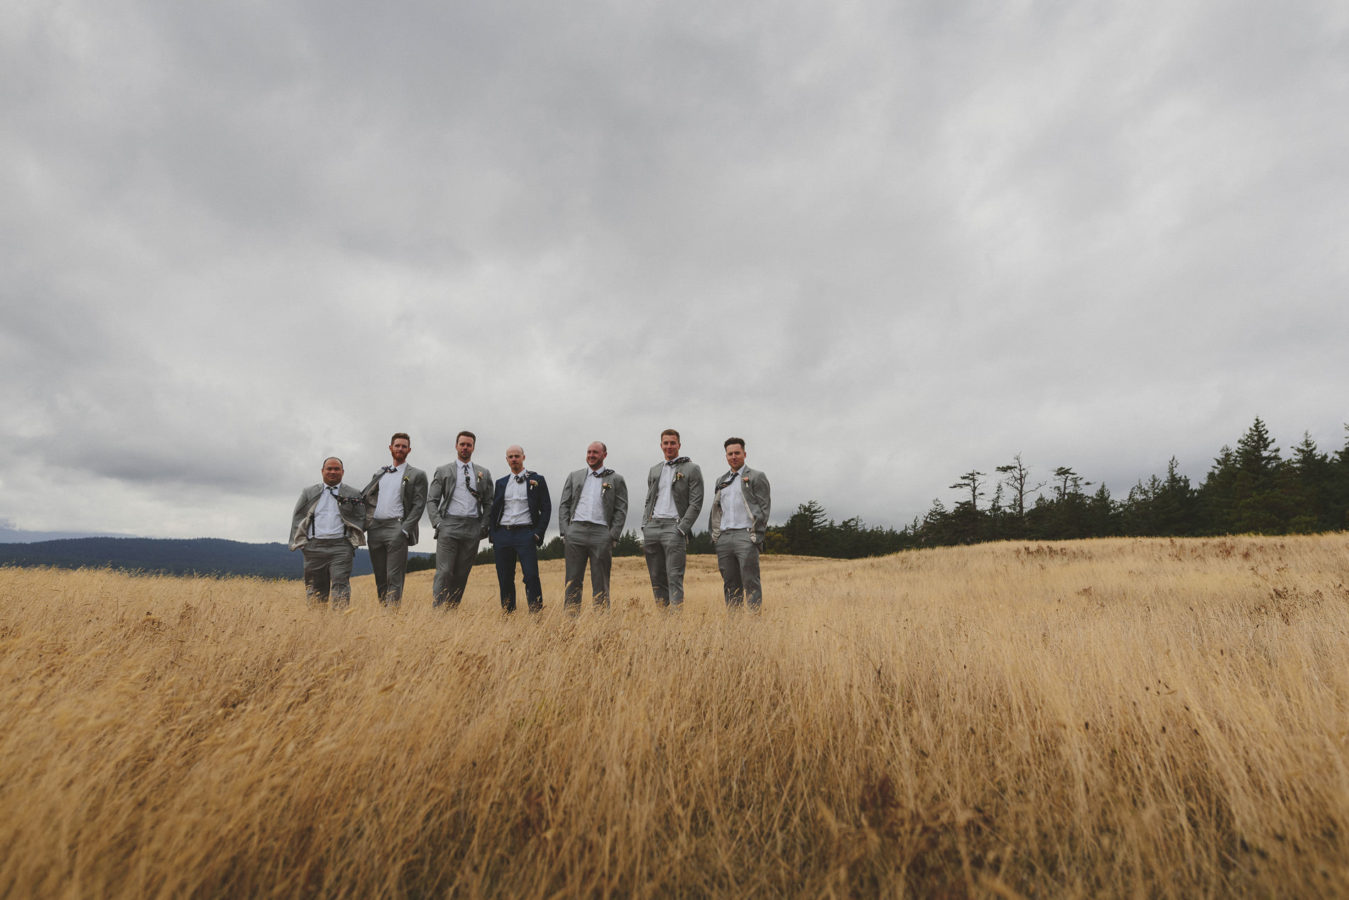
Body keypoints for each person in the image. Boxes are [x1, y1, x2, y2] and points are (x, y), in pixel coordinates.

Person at [289, 456, 367, 609]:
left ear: (342, 472)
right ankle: (318, 625)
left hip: (341, 547)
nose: (332, 472)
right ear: (322, 471)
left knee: (340, 586)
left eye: (336, 469)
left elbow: (362, 517)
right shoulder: (309, 492)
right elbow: (298, 516)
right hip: (313, 547)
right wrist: (302, 543)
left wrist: (352, 542)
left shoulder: (353, 493)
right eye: (329, 469)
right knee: (315, 590)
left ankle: (339, 625)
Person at [557, 441, 628, 610]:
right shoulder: (574, 476)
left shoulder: (616, 479)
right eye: (589, 452)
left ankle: (601, 623)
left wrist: (612, 535)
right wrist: (566, 531)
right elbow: (564, 505)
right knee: (572, 580)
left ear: (604, 455)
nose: (591, 455)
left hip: (601, 533)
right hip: (576, 532)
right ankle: (570, 623)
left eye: (595, 452)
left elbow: (621, 509)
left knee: (601, 581)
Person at [361, 432, 428, 606]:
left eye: (404, 446)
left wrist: (404, 529)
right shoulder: (380, 473)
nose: (400, 449)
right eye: (397, 445)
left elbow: (419, 505)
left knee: (394, 576)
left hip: (396, 527)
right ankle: (384, 614)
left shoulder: (416, 474)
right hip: (375, 528)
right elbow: (367, 498)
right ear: (390, 448)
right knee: (380, 576)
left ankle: (392, 615)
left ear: (409, 450)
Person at [427, 431, 492, 608]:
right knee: (445, 571)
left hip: (472, 527)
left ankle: (452, 612)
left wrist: (483, 526)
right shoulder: (443, 471)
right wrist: (438, 523)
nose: (465, 448)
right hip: (449, 525)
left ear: (473, 448)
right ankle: (438, 611)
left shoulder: (483, 473)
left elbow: (489, 502)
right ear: (456, 446)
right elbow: (432, 500)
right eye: (462, 444)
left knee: (462, 573)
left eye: (468, 445)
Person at [641, 428, 704, 609]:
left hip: (674, 527)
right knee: (656, 577)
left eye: (672, 443)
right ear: (661, 445)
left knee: (674, 576)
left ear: (679, 445)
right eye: (665, 443)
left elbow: (696, 502)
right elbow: (649, 499)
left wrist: (682, 528)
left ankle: (676, 622)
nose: (669, 446)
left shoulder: (691, 468)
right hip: (653, 527)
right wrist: (646, 524)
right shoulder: (654, 470)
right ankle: (663, 620)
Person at [708, 437, 771, 609]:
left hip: (746, 535)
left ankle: (754, 622)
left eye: (737, 453)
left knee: (751, 581)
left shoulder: (757, 476)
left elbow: (765, 508)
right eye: (730, 454)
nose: (734, 456)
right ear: (726, 456)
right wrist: (716, 536)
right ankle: (735, 625)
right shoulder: (721, 480)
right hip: (724, 537)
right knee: (730, 584)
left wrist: (756, 535)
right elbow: (717, 508)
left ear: (744, 454)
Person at [488, 445, 552, 613]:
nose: (514, 459)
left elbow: (546, 508)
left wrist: (538, 533)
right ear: (507, 459)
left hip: (526, 534)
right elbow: (494, 510)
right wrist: (493, 535)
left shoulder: (538, 480)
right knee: (505, 578)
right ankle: (508, 615)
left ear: (523, 457)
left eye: (517, 455)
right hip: (503, 534)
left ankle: (536, 614)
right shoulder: (501, 483)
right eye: (510, 456)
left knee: (531, 576)